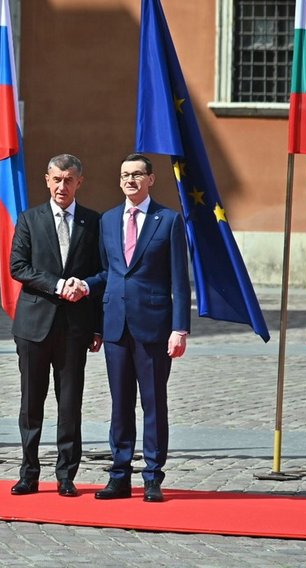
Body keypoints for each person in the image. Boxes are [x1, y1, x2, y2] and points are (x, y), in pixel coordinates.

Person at [78, 152, 190, 503]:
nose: (130, 180)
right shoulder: (108, 221)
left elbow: (180, 281)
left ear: (150, 180)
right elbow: (108, 272)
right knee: (120, 405)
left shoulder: (168, 221)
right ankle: (119, 475)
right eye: (125, 174)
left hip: (155, 327)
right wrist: (93, 314)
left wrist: (180, 329)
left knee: (154, 403)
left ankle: (153, 476)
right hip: (115, 327)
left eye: (137, 175)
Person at [8, 153, 103, 497]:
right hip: (34, 325)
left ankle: (66, 475)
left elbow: (101, 273)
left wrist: (97, 326)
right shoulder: (29, 219)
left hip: (75, 328)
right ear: (47, 180)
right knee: (31, 404)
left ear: (80, 182)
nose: (62, 186)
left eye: (69, 179)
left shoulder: (93, 223)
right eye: (56, 179)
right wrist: (57, 285)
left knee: (69, 404)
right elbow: (17, 266)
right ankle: (28, 473)